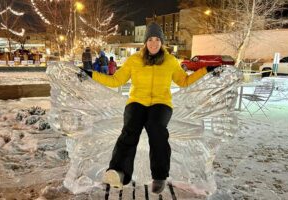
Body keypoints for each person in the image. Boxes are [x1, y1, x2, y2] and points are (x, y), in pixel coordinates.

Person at [82, 22, 211, 194]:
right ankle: (118, 172)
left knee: (156, 128)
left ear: (162, 42)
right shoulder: (134, 60)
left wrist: (206, 70)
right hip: (137, 101)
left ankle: (159, 176)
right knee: (130, 128)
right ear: (145, 42)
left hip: (162, 103)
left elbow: (184, 81)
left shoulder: (170, 61)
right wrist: (90, 74)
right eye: (150, 39)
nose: (154, 43)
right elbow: (115, 81)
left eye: (157, 39)